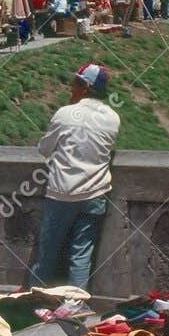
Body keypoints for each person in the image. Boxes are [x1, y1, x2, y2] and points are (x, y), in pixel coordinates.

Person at [29, 63, 121, 290]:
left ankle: (36, 301)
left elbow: (44, 149)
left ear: (85, 87)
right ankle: (75, 304)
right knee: (81, 255)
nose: (71, 87)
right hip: (96, 194)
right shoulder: (113, 117)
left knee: (47, 253)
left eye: (76, 82)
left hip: (62, 193)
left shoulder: (65, 114)